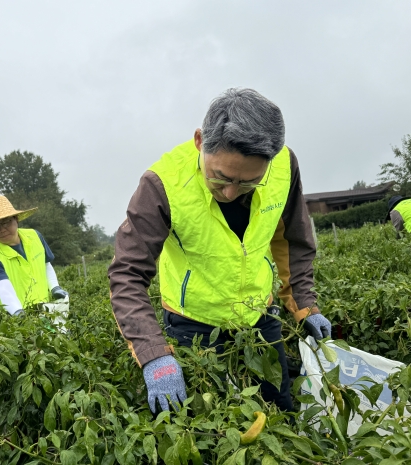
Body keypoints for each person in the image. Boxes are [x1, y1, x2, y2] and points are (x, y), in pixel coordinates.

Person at [108, 88, 332, 414]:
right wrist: (154, 353)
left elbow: (293, 240)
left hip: (258, 311)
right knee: (203, 421)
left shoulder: (284, 165)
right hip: (193, 323)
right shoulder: (162, 184)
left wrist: (305, 307)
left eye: (249, 182)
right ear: (200, 141)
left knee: (278, 407)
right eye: (221, 177)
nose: (230, 192)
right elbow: (127, 273)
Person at [0, 195, 68, 316]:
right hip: (12, 322)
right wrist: (18, 313)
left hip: (45, 310)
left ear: (16, 219)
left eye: (5, 222)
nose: (1, 229)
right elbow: (3, 289)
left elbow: (45, 264)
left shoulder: (34, 236)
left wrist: (55, 287)